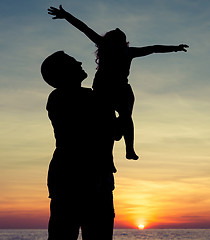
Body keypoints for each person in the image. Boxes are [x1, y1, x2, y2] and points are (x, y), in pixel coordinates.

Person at [48, 5, 189, 160]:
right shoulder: (104, 45)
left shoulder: (128, 52)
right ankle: (110, 152)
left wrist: (176, 48)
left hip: (121, 89)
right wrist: (66, 15)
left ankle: (129, 148)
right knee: (105, 121)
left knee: (126, 117)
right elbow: (83, 28)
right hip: (103, 88)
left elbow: (154, 48)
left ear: (124, 42)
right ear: (111, 39)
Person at [41, 51, 116, 240]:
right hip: (81, 179)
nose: (80, 62)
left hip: (80, 177)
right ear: (64, 72)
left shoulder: (66, 97)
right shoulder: (68, 98)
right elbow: (112, 132)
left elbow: (111, 132)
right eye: (74, 62)